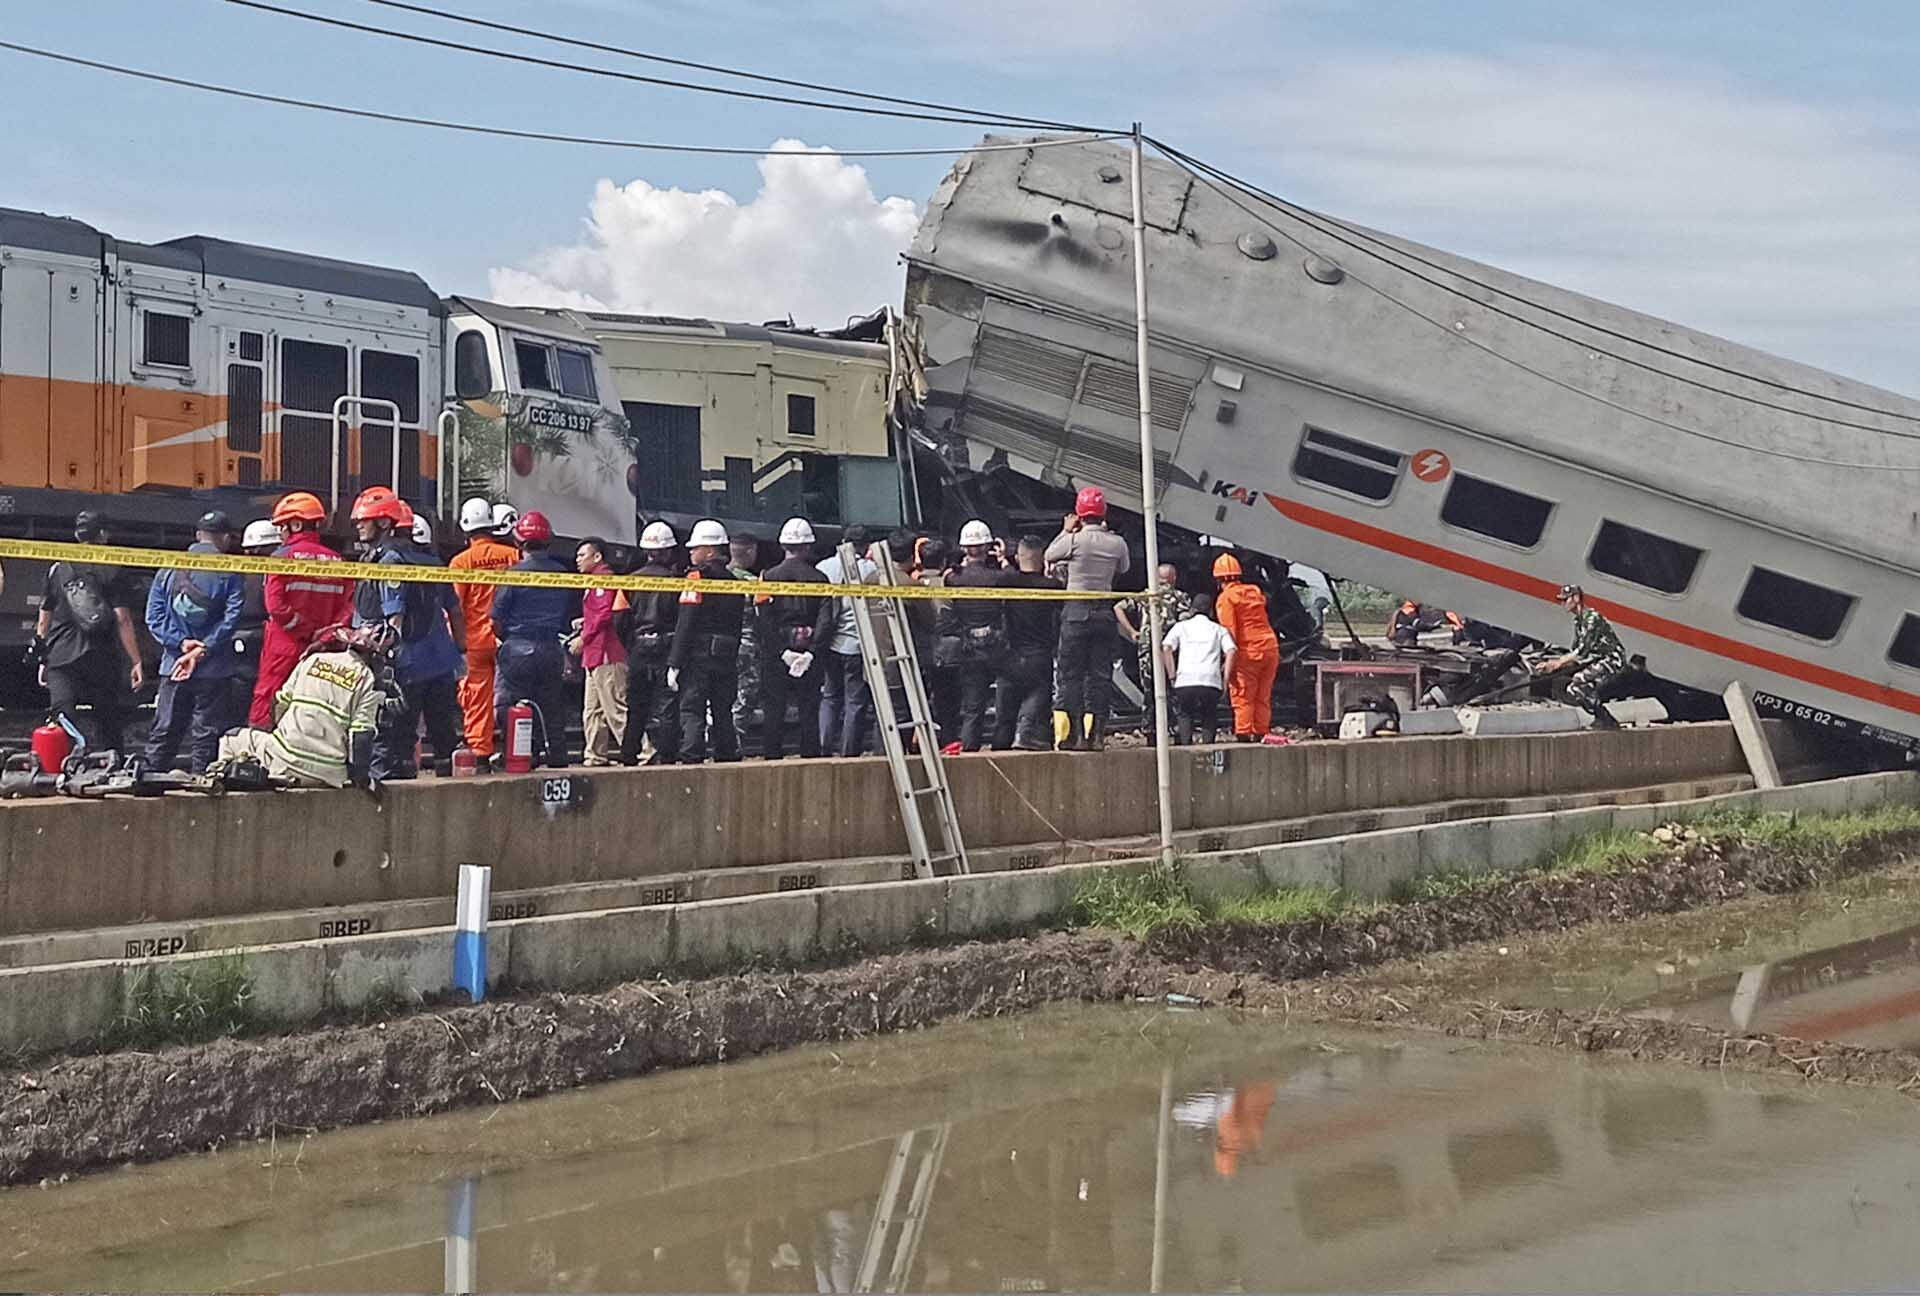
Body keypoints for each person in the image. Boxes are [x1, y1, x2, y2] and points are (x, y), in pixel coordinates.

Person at [351, 490, 464, 779]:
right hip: (441, 664)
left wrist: (379, 656)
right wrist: (460, 651)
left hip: (406, 667)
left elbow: (394, 619)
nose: (359, 526)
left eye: (366, 520)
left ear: (386, 524)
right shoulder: (434, 563)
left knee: (393, 740)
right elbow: (455, 610)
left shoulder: (389, 561)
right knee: (445, 742)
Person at [215, 623, 388, 789]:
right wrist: (363, 780)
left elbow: (280, 703)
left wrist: (287, 735)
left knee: (232, 738)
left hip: (284, 758)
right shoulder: (368, 681)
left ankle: (224, 784)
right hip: (330, 774)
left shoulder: (314, 660)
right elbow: (361, 737)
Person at [143, 512, 247, 772]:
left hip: (174, 666)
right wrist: (203, 648)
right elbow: (232, 617)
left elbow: (153, 617)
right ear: (224, 538)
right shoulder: (230, 571)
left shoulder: (168, 568)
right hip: (214, 668)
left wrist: (182, 645)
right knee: (206, 734)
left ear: (198, 535)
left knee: (164, 730)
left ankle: (150, 784)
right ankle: (202, 784)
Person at [34, 510, 144, 752]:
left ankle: (63, 767)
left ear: (77, 534)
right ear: (103, 535)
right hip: (100, 654)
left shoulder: (57, 568)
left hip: (60, 654)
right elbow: (123, 619)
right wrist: (135, 661)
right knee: (108, 716)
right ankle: (110, 766)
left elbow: (44, 620)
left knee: (62, 714)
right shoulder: (113, 568)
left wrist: (43, 658)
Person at [251, 491, 354, 728]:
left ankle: (259, 757)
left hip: (285, 645)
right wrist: (325, 634)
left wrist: (304, 631)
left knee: (269, 698)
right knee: (319, 702)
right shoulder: (339, 561)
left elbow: (276, 607)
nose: (280, 533)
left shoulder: (281, 559)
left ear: (295, 525)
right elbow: (349, 607)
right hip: (325, 647)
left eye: (283, 527)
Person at [1045, 486, 1130, 751]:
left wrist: (1066, 529)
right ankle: (1095, 736)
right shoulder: (1117, 543)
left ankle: (1070, 736)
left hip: (1076, 611)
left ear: (1080, 514)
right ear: (1103, 512)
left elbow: (1049, 554)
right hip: (1104, 612)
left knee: (1070, 675)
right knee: (1099, 675)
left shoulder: (1074, 539)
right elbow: (1123, 568)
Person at [490, 511, 576, 768]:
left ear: (518, 543)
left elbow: (496, 619)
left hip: (517, 647)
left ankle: (519, 755)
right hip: (551, 648)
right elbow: (567, 615)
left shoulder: (512, 574)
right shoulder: (562, 574)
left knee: (510, 703)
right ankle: (557, 756)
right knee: (551, 705)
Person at [755, 517, 834, 760]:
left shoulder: (767, 577)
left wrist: (782, 651)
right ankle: (810, 756)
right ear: (808, 546)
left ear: (782, 546)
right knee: (809, 709)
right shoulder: (820, 579)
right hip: (808, 649)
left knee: (774, 709)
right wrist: (811, 653)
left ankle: (772, 756)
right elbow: (826, 620)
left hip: (777, 652)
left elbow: (763, 618)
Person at [669, 518, 745, 763]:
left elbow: (686, 622)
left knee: (692, 707)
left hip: (699, 656)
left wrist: (675, 662)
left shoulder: (696, 578)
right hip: (726, 655)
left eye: (696, 547)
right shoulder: (734, 582)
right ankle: (726, 753)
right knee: (723, 709)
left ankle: (692, 753)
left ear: (710, 551)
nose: (691, 551)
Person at [448, 497, 519, 759]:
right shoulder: (513, 556)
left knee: (476, 695)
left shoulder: (461, 562)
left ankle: (480, 750)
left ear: (465, 527)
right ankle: (517, 751)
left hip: (475, 640)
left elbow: (455, 605)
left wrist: (456, 643)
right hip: (508, 640)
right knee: (513, 695)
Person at [939, 519, 1008, 751]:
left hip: (969, 646)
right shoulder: (998, 578)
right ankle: (1001, 747)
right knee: (1004, 703)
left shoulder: (953, 578)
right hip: (997, 644)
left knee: (972, 708)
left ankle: (969, 749)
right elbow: (1013, 578)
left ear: (964, 547)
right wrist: (1004, 559)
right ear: (988, 546)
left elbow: (947, 612)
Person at [618, 521, 682, 766]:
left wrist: (631, 643)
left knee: (636, 706)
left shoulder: (629, 581)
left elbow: (619, 619)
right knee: (667, 705)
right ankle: (667, 756)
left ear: (646, 551)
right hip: (667, 646)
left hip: (638, 647)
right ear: (668, 552)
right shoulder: (676, 581)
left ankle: (628, 754)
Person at [993, 535, 1062, 751]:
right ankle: (1026, 733)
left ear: (1018, 556)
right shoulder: (1053, 586)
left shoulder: (1008, 581)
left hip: (1010, 654)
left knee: (1005, 712)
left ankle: (1000, 745)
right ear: (1043, 560)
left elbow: (1005, 576)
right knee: (1038, 695)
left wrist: (1004, 560)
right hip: (1039, 656)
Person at [816, 525, 877, 756]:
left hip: (830, 643)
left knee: (830, 696)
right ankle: (849, 750)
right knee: (855, 701)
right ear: (866, 546)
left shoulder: (824, 567)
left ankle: (824, 745)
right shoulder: (872, 570)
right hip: (858, 645)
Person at [1117, 562, 1193, 742]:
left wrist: (1132, 631)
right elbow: (1185, 621)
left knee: (1149, 691)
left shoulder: (1145, 595)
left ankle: (1150, 732)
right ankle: (1176, 732)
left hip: (1147, 649)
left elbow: (1118, 607)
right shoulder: (1180, 596)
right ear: (1173, 578)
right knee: (1174, 691)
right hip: (1171, 651)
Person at [1541, 583, 1628, 728]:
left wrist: (1557, 663)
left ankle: (1605, 718)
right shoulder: (1579, 621)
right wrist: (1552, 665)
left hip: (1612, 660)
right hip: (1598, 660)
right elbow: (1575, 651)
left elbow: (1582, 651)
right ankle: (1602, 717)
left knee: (1578, 680)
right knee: (1574, 688)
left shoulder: (1591, 618)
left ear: (1576, 598)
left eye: (1565, 599)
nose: (1563, 604)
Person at [1213, 553, 1280, 741]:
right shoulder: (1254, 591)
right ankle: (1261, 732)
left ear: (1218, 579)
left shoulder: (1226, 598)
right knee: (1263, 694)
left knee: (1243, 695)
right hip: (1270, 648)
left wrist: (1227, 660)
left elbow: (1230, 631)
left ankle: (1243, 734)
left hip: (1248, 652)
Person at [573, 536, 628, 765]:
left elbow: (604, 614)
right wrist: (583, 622)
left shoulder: (603, 580)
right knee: (593, 710)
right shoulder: (593, 582)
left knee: (615, 708)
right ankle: (595, 754)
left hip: (605, 653)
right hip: (594, 655)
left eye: (582, 555)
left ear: (597, 557)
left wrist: (583, 638)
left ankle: (643, 750)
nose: (577, 560)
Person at [1162, 595, 1237, 745]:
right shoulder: (1218, 629)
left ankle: (1185, 745)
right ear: (1211, 611)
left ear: (1192, 610)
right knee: (1209, 713)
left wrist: (1172, 675)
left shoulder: (1181, 627)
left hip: (1185, 679)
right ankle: (1208, 746)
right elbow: (1231, 650)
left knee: (1185, 713)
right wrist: (1225, 679)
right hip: (1211, 679)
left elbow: (1166, 647)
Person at [229, 518, 281, 732]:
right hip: (266, 636)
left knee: (241, 689)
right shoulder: (275, 573)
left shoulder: (239, 573)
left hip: (240, 636)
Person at [729, 532, 762, 743]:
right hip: (748, 646)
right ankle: (735, 739)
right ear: (750, 551)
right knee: (746, 694)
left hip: (723, 644)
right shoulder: (752, 582)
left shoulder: (716, 577)